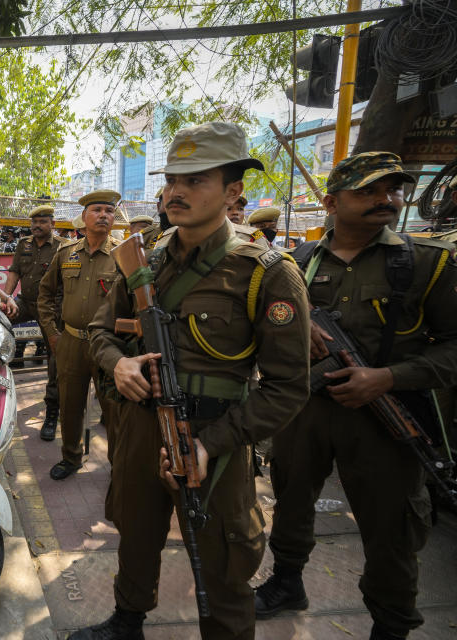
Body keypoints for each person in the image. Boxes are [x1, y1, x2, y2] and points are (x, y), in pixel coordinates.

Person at [79, 122, 311, 640]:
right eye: (172, 179)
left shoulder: (268, 272)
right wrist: (118, 362)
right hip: (141, 428)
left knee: (224, 562)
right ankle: (127, 620)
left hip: (218, 441)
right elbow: (98, 330)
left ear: (234, 192)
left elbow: (288, 387)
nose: (176, 191)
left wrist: (212, 445)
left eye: (196, 179)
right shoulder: (146, 259)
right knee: (136, 530)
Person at [254, 152, 457, 640]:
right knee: (292, 498)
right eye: (367, 191)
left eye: (393, 190)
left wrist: (389, 377)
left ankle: (391, 624)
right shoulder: (292, 264)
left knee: (392, 526)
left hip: (385, 417)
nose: (384, 200)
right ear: (330, 201)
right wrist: (292, 333)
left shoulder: (428, 263)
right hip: (304, 410)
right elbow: (258, 324)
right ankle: (286, 581)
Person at [38, 190, 122, 480]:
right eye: (97, 210)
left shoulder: (124, 257)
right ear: (84, 218)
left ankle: (118, 466)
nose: (103, 215)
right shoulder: (66, 254)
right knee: (70, 405)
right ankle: (71, 457)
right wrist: (52, 334)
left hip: (108, 347)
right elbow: (45, 295)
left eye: (109, 211)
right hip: (70, 342)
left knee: (113, 410)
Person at [3, 205, 64, 439]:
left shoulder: (62, 246)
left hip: (51, 308)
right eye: (34, 222)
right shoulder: (23, 245)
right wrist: (7, 300)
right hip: (25, 302)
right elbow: (14, 272)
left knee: (55, 358)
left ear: (52, 223)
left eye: (42, 221)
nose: (37, 226)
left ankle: (52, 411)